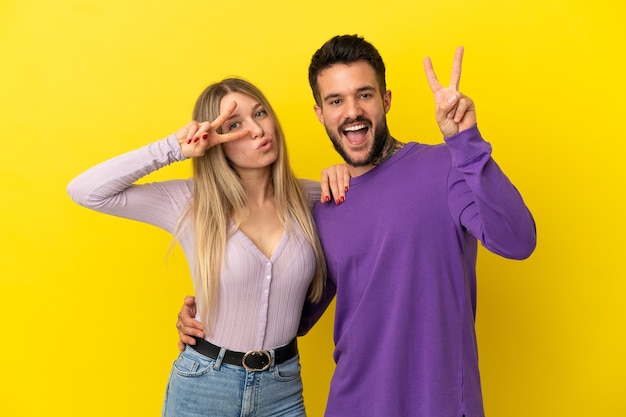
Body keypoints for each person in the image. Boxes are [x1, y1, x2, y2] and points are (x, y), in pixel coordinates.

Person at [177, 35, 537, 417]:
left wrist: (466, 140)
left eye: (364, 95)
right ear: (320, 114)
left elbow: (517, 240)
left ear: (386, 100)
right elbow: (288, 316)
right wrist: (207, 324)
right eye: (336, 101)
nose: (352, 111)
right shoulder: (326, 206)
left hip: (442, 404)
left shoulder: (445, 166)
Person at [67, 77, 348, 417]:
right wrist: (176, 146)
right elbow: (86, 190)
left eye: (260, 113)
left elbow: (384, 212)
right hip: (204, 386)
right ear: (216, 140)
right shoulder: (190, 202)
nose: (257, 130)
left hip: (283, 388)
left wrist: (347, 173)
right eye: (234, 125)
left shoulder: (312, 198)